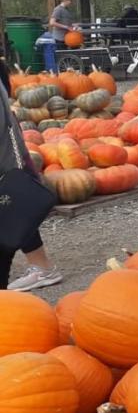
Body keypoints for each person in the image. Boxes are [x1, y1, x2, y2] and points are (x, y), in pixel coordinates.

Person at [0, 69, 62, 292]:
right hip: (7, 157)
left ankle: (41, 267)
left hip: (4, 159)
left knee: (12, 208)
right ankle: (41, 266)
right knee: (14, 209)